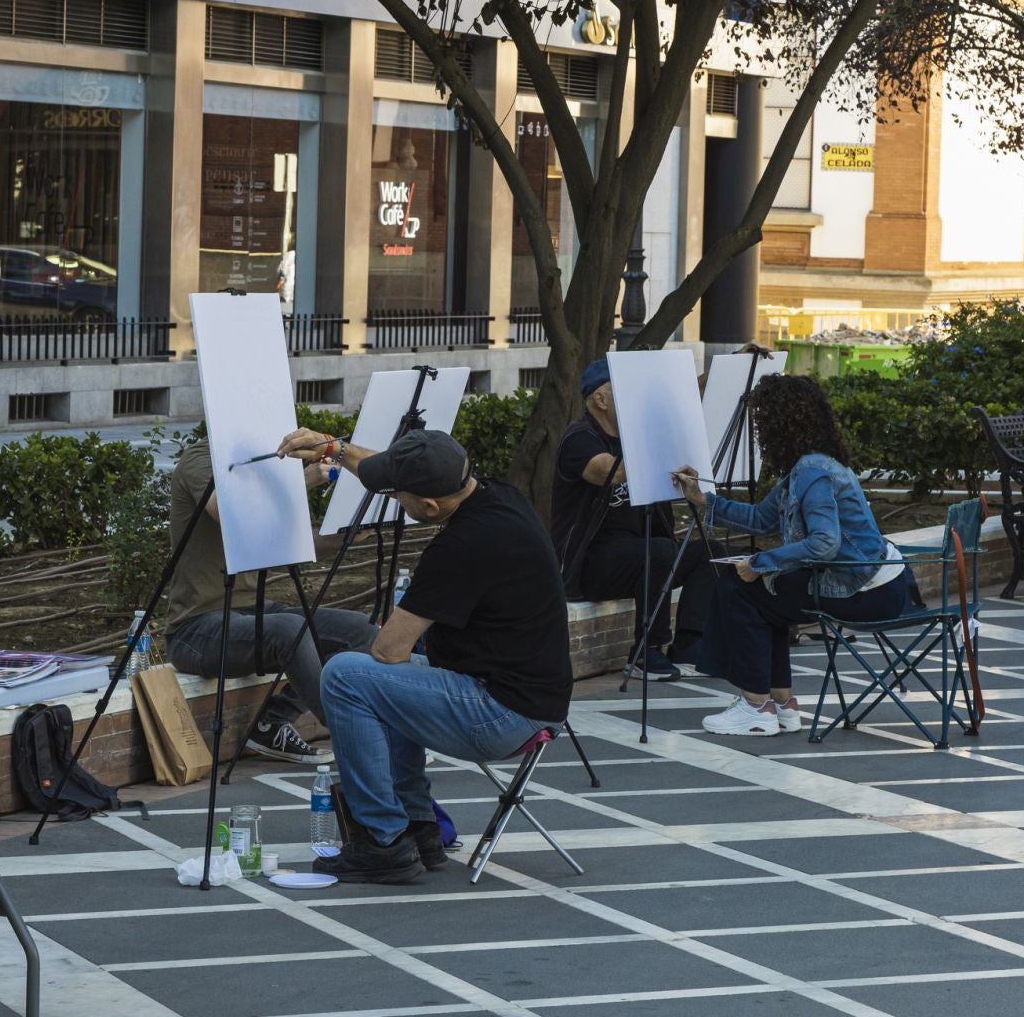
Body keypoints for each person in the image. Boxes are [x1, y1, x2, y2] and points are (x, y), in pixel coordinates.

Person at [274, 427, 572, 883]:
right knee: (384, 682)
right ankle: (418, 828)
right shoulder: (498, 496)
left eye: (398, 496)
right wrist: (337, 448)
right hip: (532, 699)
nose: (394, 501)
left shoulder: (461, 546)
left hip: (501, 715)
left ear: (430, 507)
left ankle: (383, 841)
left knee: (347, 676)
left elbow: (388, 649)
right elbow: (390, 471)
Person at [673, 374, 915, 737]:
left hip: (866, 591)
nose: (758, 432)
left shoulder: (812, 471)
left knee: (738, 590)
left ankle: (756, 706)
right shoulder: (807, 467)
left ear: (780, 423)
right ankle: (781, 704)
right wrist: (703, 500)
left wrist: (760, 564)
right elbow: (761, 518)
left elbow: (824, 543)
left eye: (761, 421)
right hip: (869, 583)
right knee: (762, 595)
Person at [163, 433, 380, 763]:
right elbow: (230, 512)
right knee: (290, 630)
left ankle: (271, 722)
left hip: (251, 610)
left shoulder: (261, 463)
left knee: (361, 630)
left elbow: (294, 543)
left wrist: (344, 536)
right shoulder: (201, 460)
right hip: (195, 628)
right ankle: (363, 742)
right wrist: (302, 479)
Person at [551, 359, 717, 681]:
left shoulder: (633, 434)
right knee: (658, 551)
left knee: (707, 552)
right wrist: (652, 432)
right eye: (626, 392)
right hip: (588, 563)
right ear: (601, 400)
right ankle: (646, 651)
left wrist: (738, 361)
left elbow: (679, 396)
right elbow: (608, 472)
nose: (636, 401)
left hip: (640, 556)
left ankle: (688, 644)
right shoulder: (579, 438)